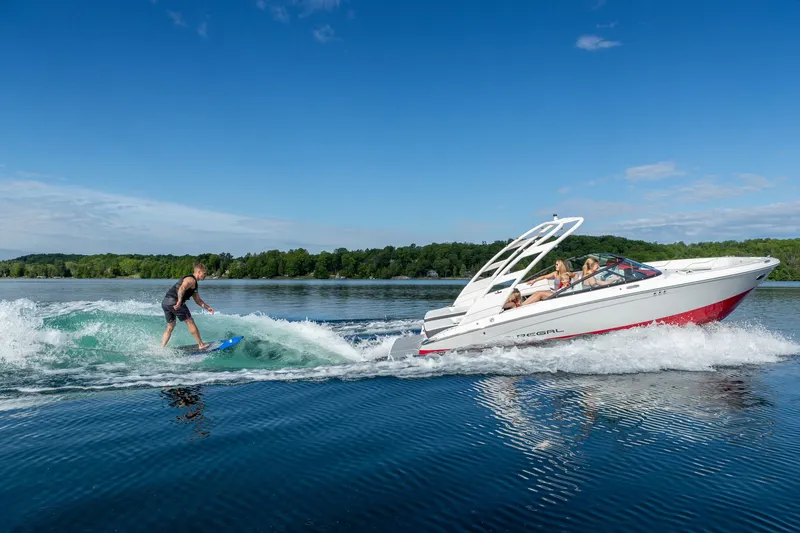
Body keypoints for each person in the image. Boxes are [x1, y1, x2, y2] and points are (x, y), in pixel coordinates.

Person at [161, 263, 214, 349]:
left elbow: (198, 301)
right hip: (175, 302)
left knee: (170, 326)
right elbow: (182, 288)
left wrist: (208, 308)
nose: (205, 275)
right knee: (190, 321)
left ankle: (162, 348)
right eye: (204, 273)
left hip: (166, 302)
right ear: (199, 272)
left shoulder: (194, 284)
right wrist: (179, 302)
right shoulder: (191, 280)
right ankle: (201, 344)